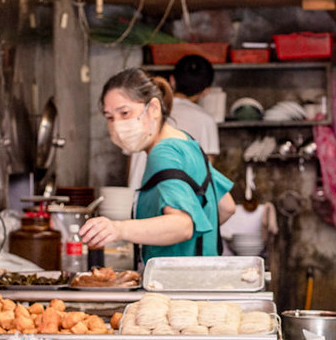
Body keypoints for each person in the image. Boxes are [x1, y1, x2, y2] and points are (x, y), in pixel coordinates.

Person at [80, 68, 235, 262]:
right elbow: (226, 206)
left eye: (125, 113)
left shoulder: (164, 153)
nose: (117, 125)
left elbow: (182, 226)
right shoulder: (186, 142)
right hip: (200, 278)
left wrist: (118, 228)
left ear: (153, 109)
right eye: (110, 117)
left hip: (177, 282)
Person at [127, 54, 220, 191]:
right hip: (180, 203)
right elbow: (207, 173)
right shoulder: (206, 121)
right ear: (206, 91)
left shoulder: (143, 112)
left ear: (171, 80)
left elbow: (132, 167)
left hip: (136, 200)